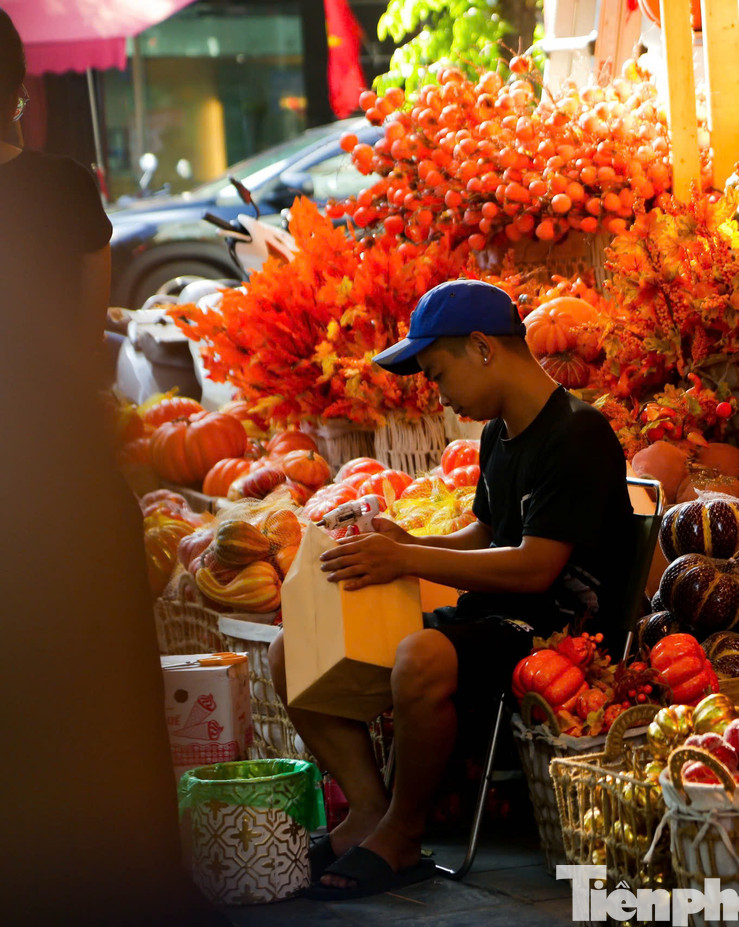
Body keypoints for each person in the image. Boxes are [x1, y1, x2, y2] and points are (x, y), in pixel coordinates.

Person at [269, 279, 633, 900]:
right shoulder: (497, 435)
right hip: (491, 622)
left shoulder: (578, 434)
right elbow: (482, 536)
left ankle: (403, 835)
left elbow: (535, 568)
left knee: (421, 655)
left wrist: (404, 558)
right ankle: (368, 811)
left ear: (482, 348)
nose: (439, 394)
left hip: (560, 638)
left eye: (438, 374)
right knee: (291, 648)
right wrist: (400, 539)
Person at [0, 11, 226, 925]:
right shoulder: (64, 192)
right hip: (69, 467)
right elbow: (87, 347)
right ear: (21, 90)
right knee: (101, 680)